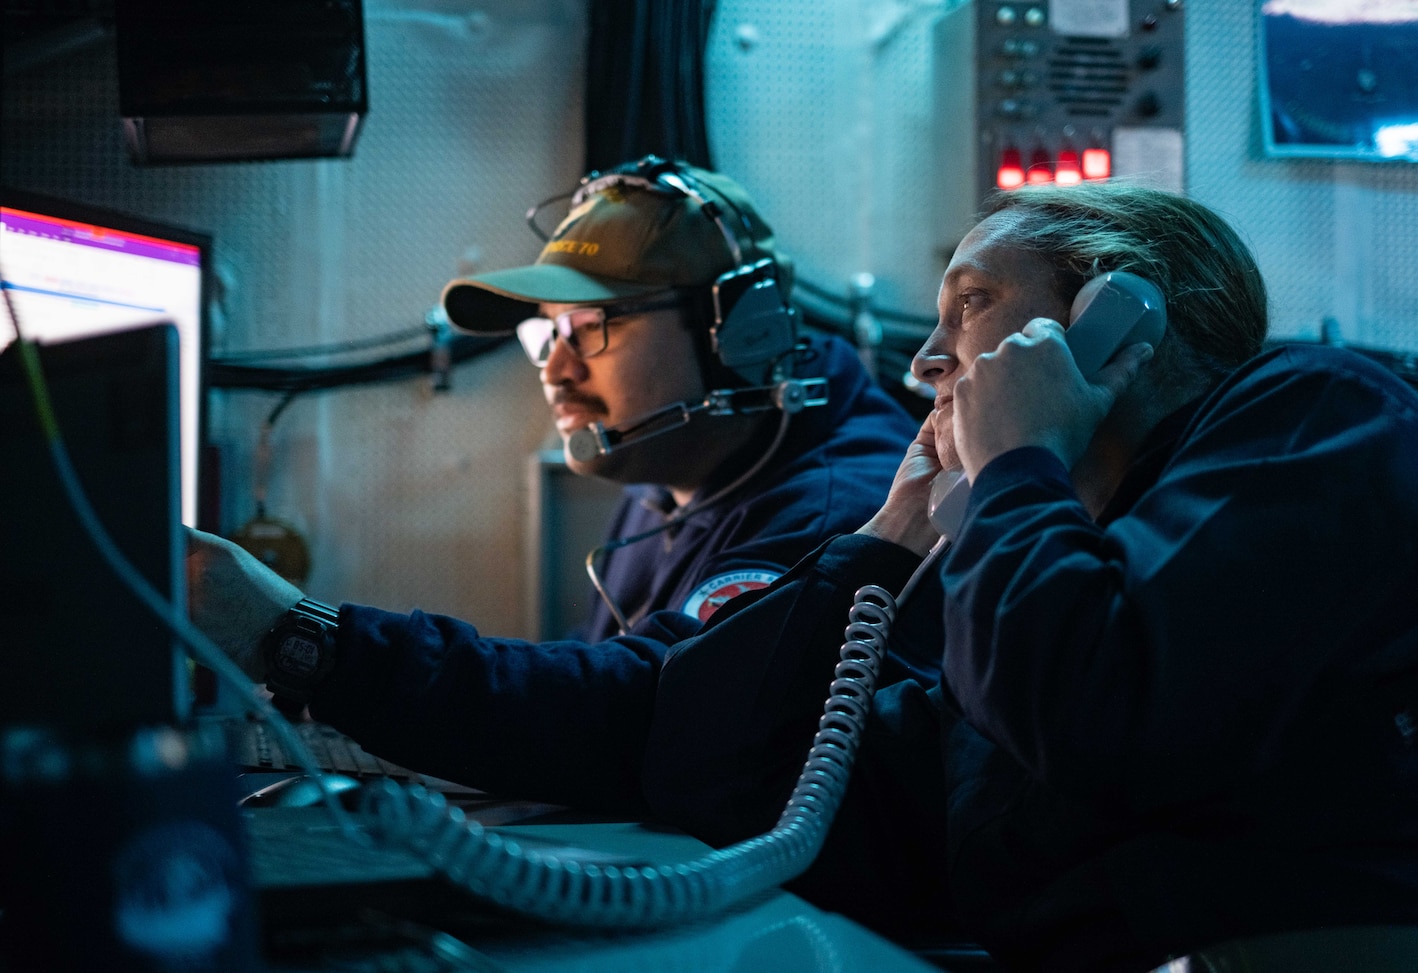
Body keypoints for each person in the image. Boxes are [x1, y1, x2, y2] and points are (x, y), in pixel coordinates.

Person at [640, 182, 1418, 970]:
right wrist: (891, 535)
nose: (925, 360)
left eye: (969, 302)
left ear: (1111, 314)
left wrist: (1017, 460)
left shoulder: (1317, 417)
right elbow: (749, 770)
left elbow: (1084, 712)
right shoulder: (1064, 556)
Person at [186, 157, 923, 813]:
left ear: (738, 331)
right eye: (546, 334)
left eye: (590, 326)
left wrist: (305, 641)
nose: (557, 368)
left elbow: (647, 711)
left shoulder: (840, 516)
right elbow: (586, 687)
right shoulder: (673, 472)